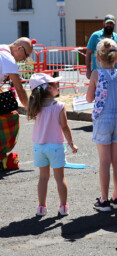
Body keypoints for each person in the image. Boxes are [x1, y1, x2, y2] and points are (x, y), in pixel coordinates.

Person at [27, 73, 78, 216]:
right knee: (60, 178)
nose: (58, 85)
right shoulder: (59, 106)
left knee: (43, 178)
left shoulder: (35, 106)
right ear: (49, 88)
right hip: (55, 147)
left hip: (39, 147)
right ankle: (63, 207)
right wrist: (71, 144)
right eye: (55, 84)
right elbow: (65, 127)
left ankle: (41, 207)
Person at [86, 38, 117, 211]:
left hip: (103, 119)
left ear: (98, 56)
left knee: (104, 161)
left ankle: (104, 200)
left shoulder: (96, 74)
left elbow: (89, 98)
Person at [0, 37, 33, 165]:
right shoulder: (9, 59)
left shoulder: (2, 47)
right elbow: (20, 89)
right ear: (19, 48)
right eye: (26, 55)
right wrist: (31, 110)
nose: (25, 59)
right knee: (10, 118)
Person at [86, 14, 117, 79]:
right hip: (97, 73)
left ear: (114, 25)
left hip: (113, 73)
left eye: (111, 23)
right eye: (107, 23)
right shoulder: (95, 36)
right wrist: (88, 70)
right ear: (103, 23)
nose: (109, 25)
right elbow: (88, 53)